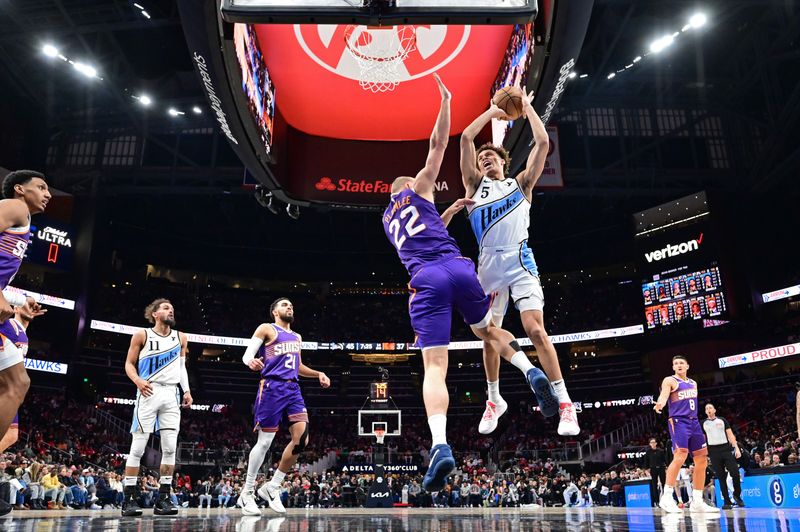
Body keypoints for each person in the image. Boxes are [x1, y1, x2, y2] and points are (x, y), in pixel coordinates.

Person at [382, 74, 556, 492]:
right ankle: (529, 370)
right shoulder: (418, 187)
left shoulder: (388, 220)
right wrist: (445, 101)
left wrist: (450, 214)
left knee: (435, 366)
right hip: (459, 267)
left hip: (425, 278)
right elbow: (440, 144)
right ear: (409, 187)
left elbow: (424, 237)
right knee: (489, 330)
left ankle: (440, 444)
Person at [453, 77, 578, 437]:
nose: (485, 157)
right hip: (489, 264)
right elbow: (464, 139)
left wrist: (526, 107)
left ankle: (565, 404)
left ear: (504, 161)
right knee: (487, 335)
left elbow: (542, 142)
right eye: (481, 157)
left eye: (490, 155)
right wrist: (494, 111)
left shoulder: (521, 184)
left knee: (536, 330)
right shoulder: (475, 186)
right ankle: (494, 398)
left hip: (521, 261)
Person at [238, 298, 331, 516]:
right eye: (284, 305)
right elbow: (247, 355)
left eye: (291, 305)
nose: (289, 307)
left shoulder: (297, 337)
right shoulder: (267, 329)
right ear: (274, 312)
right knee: (265, 443)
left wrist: (318, 373)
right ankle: (247, 492)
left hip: (293, 389)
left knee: (302, 439)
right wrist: (250, 361)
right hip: (272, 387)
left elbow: (297, 366)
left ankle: (272, 486)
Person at [0, 170, 51, 510]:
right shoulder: (14, 207)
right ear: (20, 189)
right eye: (41, 187)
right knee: (16, 383)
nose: (48, 193)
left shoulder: (24, 223)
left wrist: (17, 302)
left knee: (17, 382)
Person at [121, 299, 192, 517]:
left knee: (170, 448)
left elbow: (181, 367)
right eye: (165, 308)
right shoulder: (142, 335)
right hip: (148, 391)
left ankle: (163, 497)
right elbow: (128, 364)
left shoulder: (181, 337)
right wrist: (138, 381)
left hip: (172, 393)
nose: (171, 310)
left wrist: (187, 390)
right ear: (154, 314)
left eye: (172, 308)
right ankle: (129, 498)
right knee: (138, 448)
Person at [653, 355, 719, 514]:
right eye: (675, 363)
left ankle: (697, 501)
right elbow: (664, 395)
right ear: (673, 367)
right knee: (680, 455)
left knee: (702, 459)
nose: (678, 365)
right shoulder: (669, 380)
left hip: (694, 422)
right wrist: (661, 403)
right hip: (678, 421)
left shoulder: (693, 383)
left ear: (687, 366)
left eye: (681, 363)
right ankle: (667, 497)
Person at [702, 403, 745, 508]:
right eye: (706, 408)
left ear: (715, 410)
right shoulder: (703, 423)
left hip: (726, 449)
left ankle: (737, 495)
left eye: (710, 408)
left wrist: (737, 448)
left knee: (735, 473)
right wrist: (704, 453)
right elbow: (702, 439)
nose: (708, 409)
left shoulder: (722, 420)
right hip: (713, 451)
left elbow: (730, 435)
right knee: (721, 477)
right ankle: (727, 501)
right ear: (705, 411)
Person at [645, 438, 667, 506]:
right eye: (651, 442)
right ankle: (656, 501)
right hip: (653, 469)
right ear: (650, 444)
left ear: (656, 443)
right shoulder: (648, 452)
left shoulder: (661, 451)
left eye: (654, 442)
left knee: (664, 484)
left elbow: (665, 459)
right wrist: (646, 469)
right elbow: (646, 462)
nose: (653, 443)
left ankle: (666, 500)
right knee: (654, 485)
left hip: (661, 468)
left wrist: (666, 467)